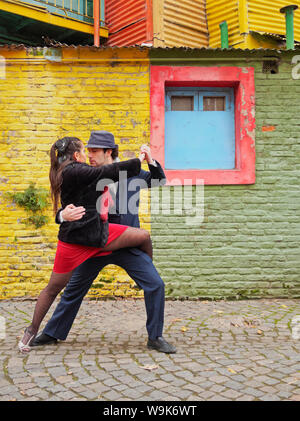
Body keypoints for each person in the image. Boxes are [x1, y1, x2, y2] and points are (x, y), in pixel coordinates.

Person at [31, 131, 177, 354]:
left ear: (108, 152)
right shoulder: (85, 175)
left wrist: (150, 160)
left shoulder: (132, 174)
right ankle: (52, 333)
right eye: (87, 150)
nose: (88, 155)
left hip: (125, 243)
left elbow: (159, 181)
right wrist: (62, 216)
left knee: (155, 284)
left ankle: (155, 337)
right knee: (72, 290)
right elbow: (68, 204)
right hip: (93, 245)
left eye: (94, 151)